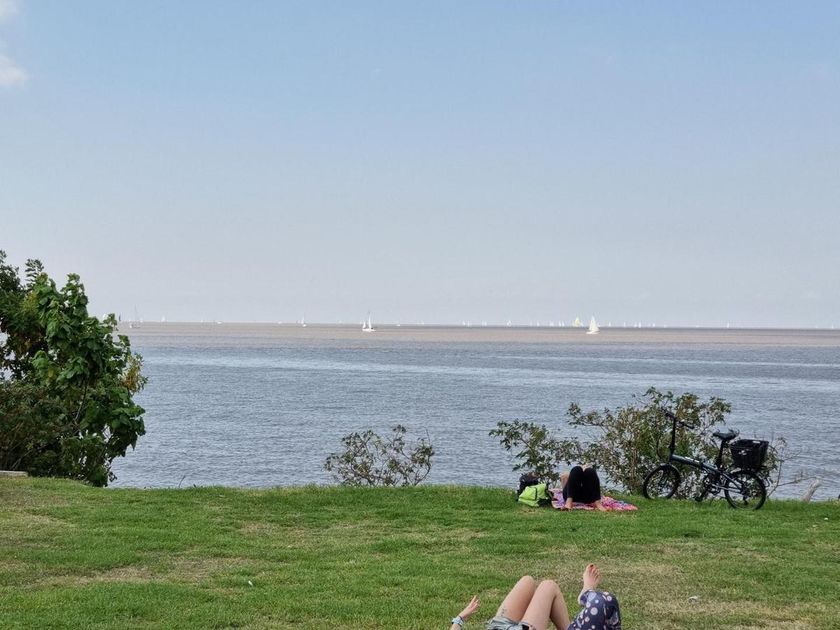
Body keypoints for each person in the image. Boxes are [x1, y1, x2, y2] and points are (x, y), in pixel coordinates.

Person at [450, 564, 621, 630]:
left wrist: (460, 618)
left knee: (527, 581)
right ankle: (584, 596)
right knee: (548, 586)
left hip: (498, 626)